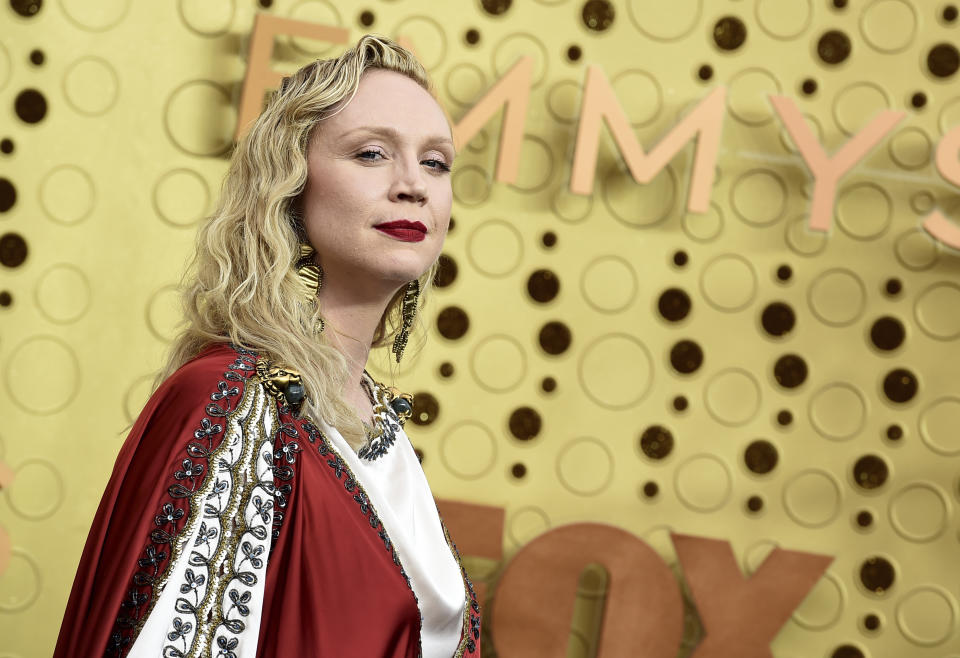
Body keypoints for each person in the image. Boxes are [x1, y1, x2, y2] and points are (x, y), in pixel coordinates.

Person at [53, 34, 481, 658]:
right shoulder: (231, 399)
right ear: (292, 184)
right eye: (371, 153)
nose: (413, 184)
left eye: (436, 162)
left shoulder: (379, 425)